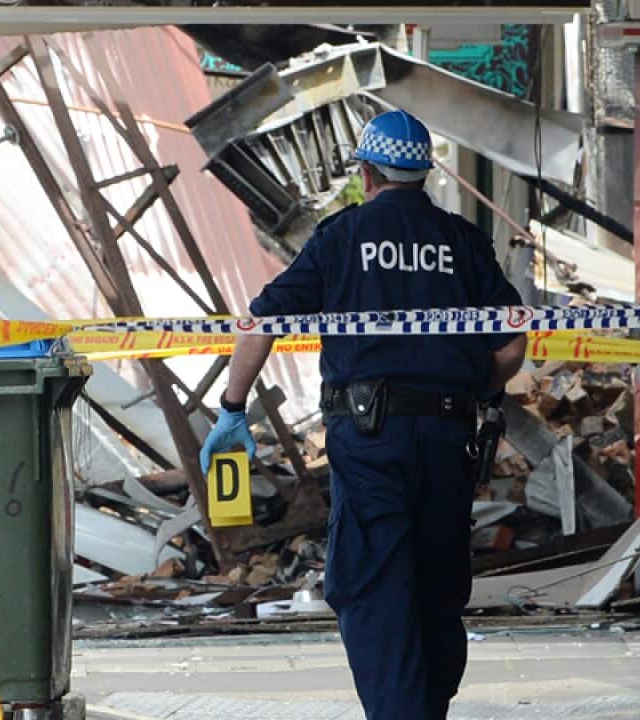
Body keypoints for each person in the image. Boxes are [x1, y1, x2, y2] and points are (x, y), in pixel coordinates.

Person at [199, 109, 527, 719]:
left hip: (371, 437)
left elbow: (262, 322)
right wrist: (468, 387)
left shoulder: (341, 237)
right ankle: (427, 708)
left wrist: (232, 407)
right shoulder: (463, 241)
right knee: (436, 579)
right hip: (449, 432)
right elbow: (511, 343)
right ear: (422, 173)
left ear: (368, 172)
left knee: (374, 580)